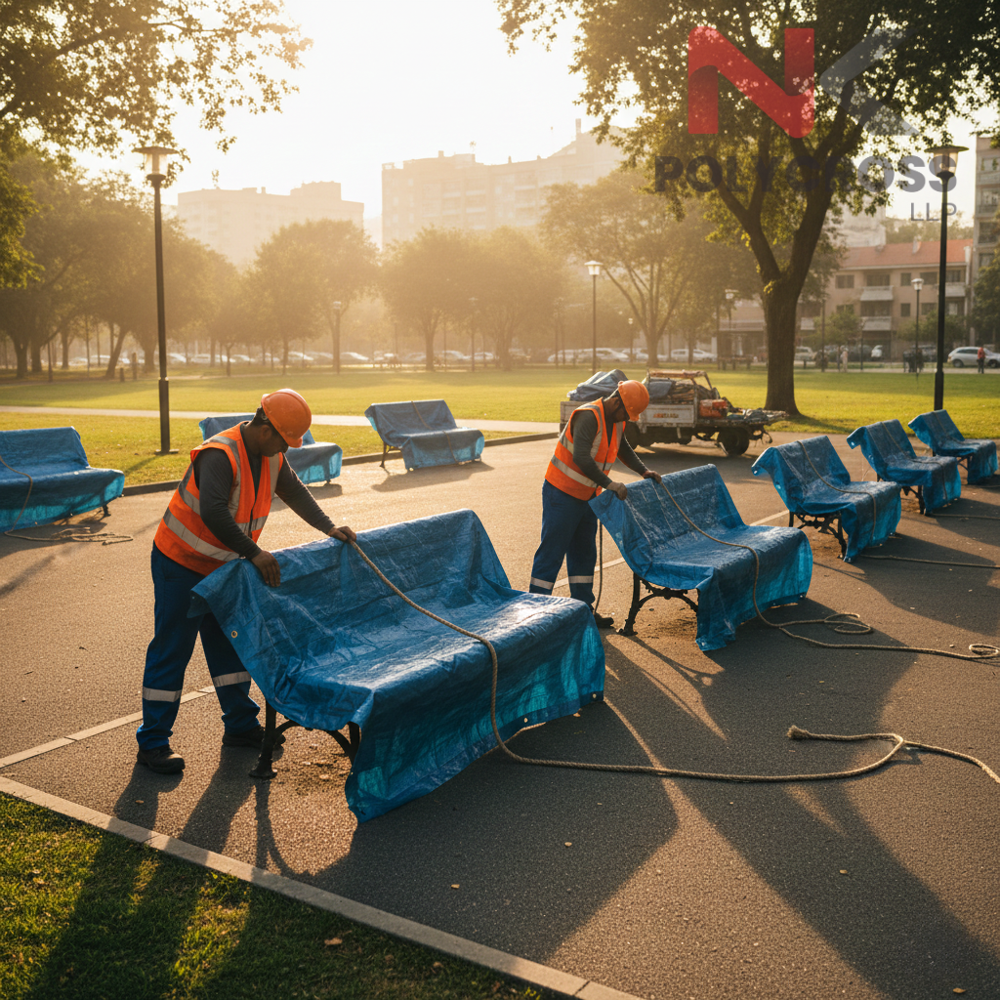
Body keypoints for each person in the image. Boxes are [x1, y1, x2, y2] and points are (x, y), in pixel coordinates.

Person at [136, 388, 357, 775]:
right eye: (284, 441)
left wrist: (328, 527)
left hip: (224, 565)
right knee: (172, 650)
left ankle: (239, 726)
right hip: (181, 563)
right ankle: (153, 743)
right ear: (264, 426)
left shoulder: (272, 456)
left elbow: (295, 492)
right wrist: (254, 553)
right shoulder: (219, 454)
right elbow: (214, 513)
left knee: (230, 647)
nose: (285, 451)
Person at [529, 380, 660, 629]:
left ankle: (583, 608)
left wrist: (643, 471)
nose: (628, 420)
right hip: (562, 493)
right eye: (628, 413)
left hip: (588, 495)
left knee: (584, 552)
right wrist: (609, 484)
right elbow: (581, 458)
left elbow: (623, 448)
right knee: (552, 551)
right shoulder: (589, 416)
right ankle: (535, 612)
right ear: (617, 402)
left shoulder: (617, 420)